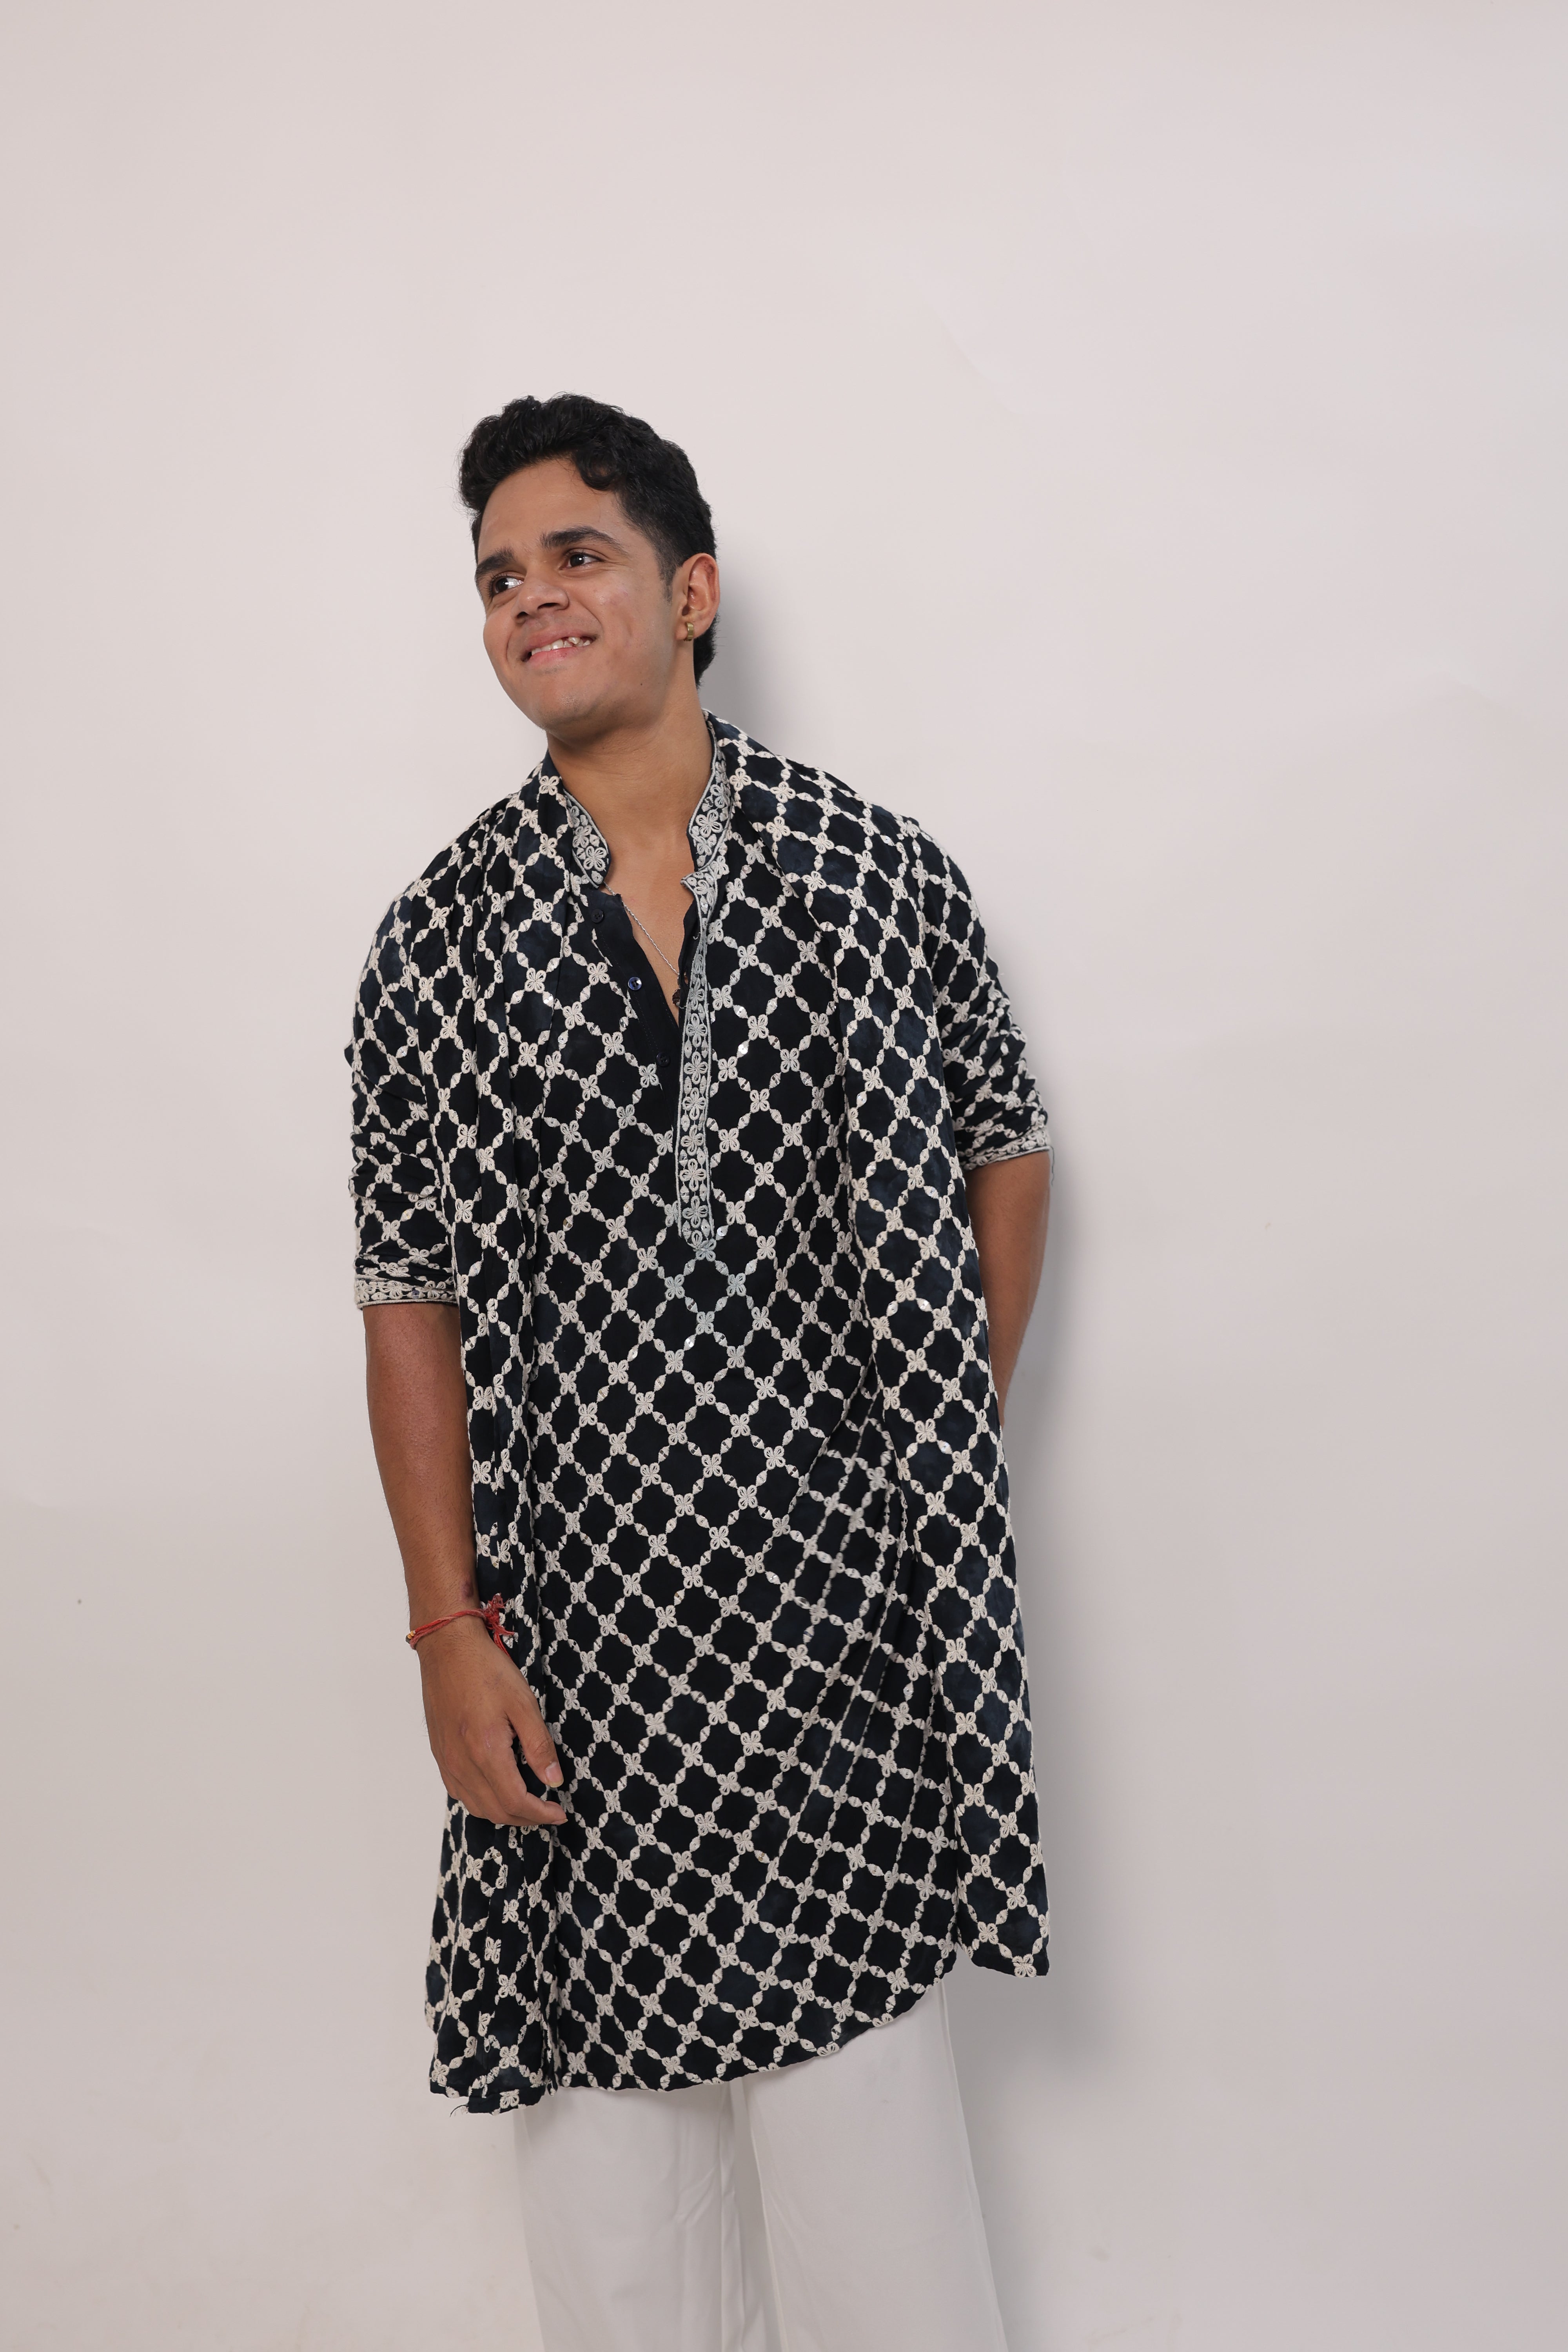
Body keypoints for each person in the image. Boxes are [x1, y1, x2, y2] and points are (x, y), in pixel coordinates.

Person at [349, 393, 1053, 2352]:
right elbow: (405, 1297)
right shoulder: (436, 944)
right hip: (577, 1647)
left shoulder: (868, 872)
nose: (529, 597)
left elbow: (1005, 1146)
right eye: (498, 574)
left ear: (691, 591)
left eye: (575, 554)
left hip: (839, 1632)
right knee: (619, 2234)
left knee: (877, 2213)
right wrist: (446, 1632)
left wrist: (930, 1430)